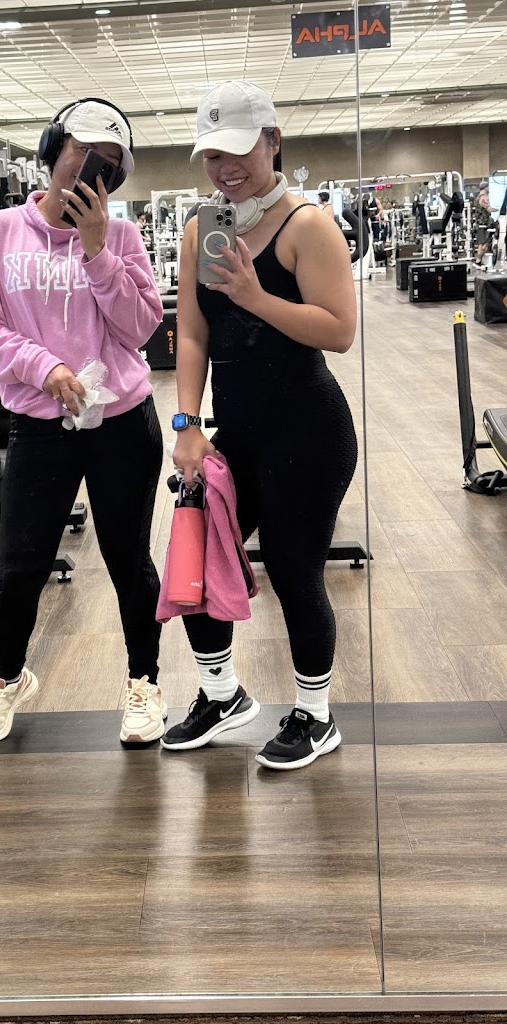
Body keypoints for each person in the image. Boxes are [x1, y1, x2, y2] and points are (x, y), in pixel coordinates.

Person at [161, 80, 358, 769]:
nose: (225, 168)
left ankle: (316, 717)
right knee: (194, 555)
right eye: (212, 155)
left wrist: (253, 294)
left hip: (310, 431)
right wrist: (186, 424)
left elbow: (338, 331)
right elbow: (191, 333)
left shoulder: (309, 226)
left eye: (238, 150)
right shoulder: (200, 229)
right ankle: (223, 697)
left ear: (273, 142)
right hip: (237, 433)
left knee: (294, 569)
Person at [0, 98, 166, 747]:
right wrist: (42, 366)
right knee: (20, 563)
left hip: (122, 422)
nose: (89, 169)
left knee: (129, 560)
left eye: (106, 161)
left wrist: (99, 251)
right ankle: (6, 678)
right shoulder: (1, 232)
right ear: (54, 149)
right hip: (41, 425)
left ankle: (144, 682)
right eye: (81, 151)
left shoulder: (122, 238)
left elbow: (140, 330)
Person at [472, 182, 496, 265]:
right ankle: (478, 261)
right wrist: (498, 209)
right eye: (488, 187)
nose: (489, 189)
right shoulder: (483, 198)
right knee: (482, 244)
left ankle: (478, 260)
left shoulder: (478, 197)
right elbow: (489, 209)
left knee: (483, 244)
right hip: (482, 224)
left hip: (481, 224)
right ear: (485, 188)